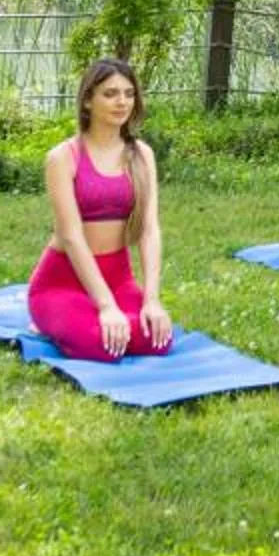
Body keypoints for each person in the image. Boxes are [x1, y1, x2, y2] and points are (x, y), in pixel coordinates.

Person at [27, 57, 175, 361]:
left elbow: (148, 230)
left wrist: (152, 300)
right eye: (110, 94)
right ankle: (52, 324)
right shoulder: (62, 157)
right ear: (87, 102)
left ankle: (96, 319)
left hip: (119, 278)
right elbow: (70, 236)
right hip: (62, 283)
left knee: (156, 340)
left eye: (129, 93)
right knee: (104, 346)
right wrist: (107, 307)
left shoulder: (141, 155)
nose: (122, 102)